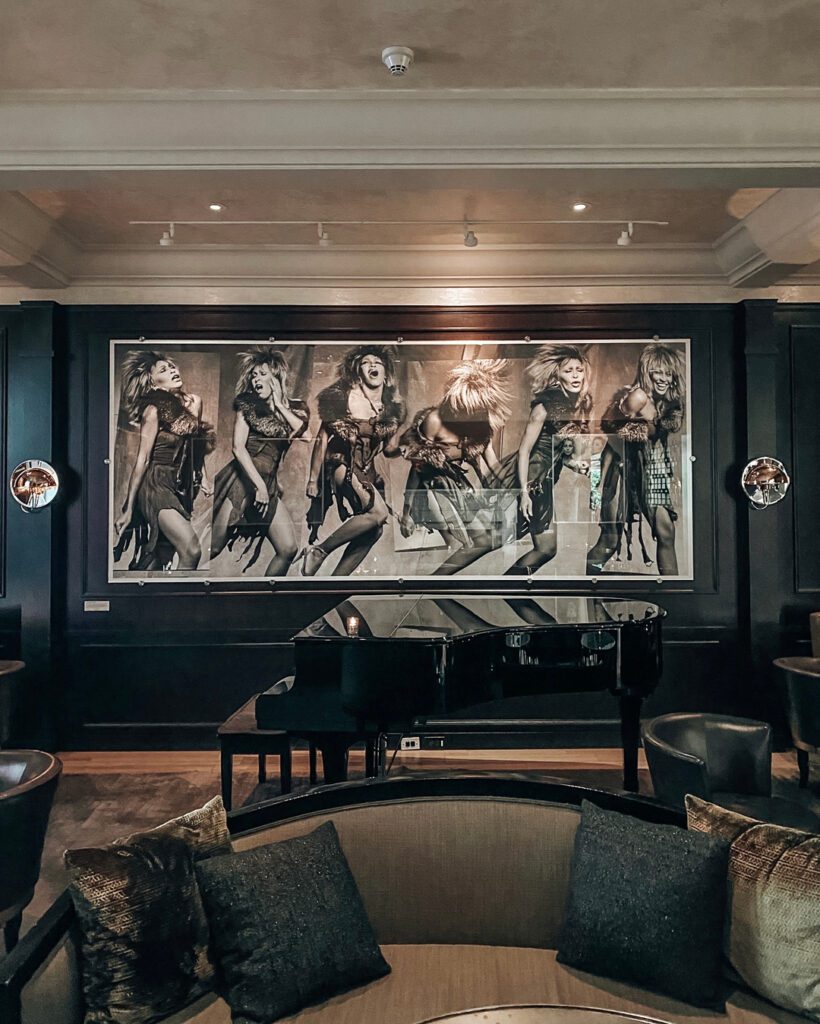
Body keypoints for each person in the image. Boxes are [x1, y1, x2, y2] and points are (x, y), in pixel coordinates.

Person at [398, 359, 510, 575]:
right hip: (432, 488)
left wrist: (516, 486)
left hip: (459, 487)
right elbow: (418, 468)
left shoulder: (480, 426)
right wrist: (406, 512)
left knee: (489, 539)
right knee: (461, 542)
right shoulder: (435, 420)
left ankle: (436, 581)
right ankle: (435, 583)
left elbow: (494, 465)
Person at [302, 345, 405, 576]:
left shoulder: (390, 409)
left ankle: (336, 584)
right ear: (358, 371)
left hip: (367, 469)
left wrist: (407, 448)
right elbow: (322, 439)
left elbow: (389, 449)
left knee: (374, 530)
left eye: (377, 363)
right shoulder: (344, 398)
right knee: (378, 513)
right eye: (366, 362)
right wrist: (313, 480)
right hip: (342, 462)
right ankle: (318, 551)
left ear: (385, 373)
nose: (372, 365)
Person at [210, 347, 309, 576]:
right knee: (213, 546)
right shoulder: (248, 406)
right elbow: (238, 448)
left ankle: (265, 595)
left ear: (276, 377)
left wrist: (280, 404)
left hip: (268, 483)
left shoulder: (294, 408)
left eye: (262, 374)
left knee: (288, 549)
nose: (256, 380)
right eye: (253, 375)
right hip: (244, 480)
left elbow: (305, 435)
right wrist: (260, 486)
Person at [495, 344, 592, 576]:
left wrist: (574, 464)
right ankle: (506, 585)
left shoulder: (573, 404)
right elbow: (525, 451)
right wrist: (524, 492)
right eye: (568, 371)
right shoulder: (544, 406)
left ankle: (506, 585)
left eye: (579, 370)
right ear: (557, 375)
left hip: (544, 478)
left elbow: (554, 449)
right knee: (544, 547)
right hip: (534, 479)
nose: (575, 375)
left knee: (541, 547)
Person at [113, 350, 214, 571]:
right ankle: (181, 595)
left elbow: (195, 445)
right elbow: (143, 459)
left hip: (180, 484)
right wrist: (128, 509)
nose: (173, 371)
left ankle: (148, 590)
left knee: (163, 555)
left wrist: (203, 476)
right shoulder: (152, 411)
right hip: (155, 483)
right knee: (191, 550)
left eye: (172, 367)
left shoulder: (195, 402)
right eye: (163, 370)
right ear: (152, 382)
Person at [614, 342, 686, 575]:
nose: (664, 379)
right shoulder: (639, 396)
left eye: (668, 373)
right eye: (658, 372)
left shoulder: (666, 400)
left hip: (656, 467)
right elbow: (614, 430)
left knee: (667, 532)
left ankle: (672, 587)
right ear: (647, 372)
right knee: (611, 538)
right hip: (634, 469)